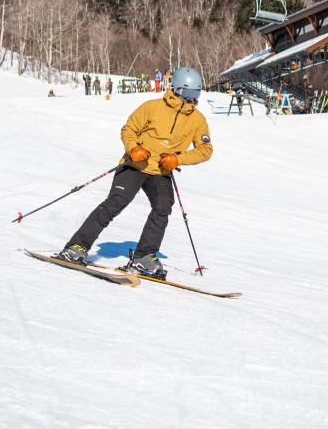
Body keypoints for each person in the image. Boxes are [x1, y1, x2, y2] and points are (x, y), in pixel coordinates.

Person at [56, 67, 213, 279]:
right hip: (135, 165)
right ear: (176, 90)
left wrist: (178, 159)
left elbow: (205, 150)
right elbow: (128, 129)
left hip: (160, 171)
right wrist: (134, 149)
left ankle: (144, 257)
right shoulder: (152, 107)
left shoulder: (197, 119)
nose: (193, 101)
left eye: (196, 95)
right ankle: (76, 247)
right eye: (189, 95)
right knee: (115, 202)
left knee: (163, 207)